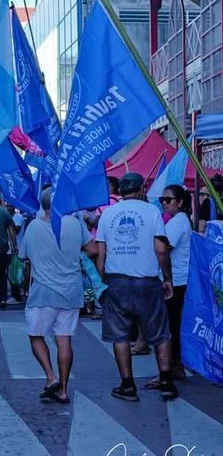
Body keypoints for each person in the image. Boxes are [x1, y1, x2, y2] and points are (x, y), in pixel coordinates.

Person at [96, 171, 178, 402]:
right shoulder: (153, 212)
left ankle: (128, 385)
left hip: (117, 281)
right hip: (147, 282)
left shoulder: (108, 215)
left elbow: (101, 253)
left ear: (121, 191)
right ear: (141, 189)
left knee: (120, 336)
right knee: (161, 334)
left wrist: (106, 278)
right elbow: (161, 250)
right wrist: (167, 277)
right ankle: (166, 382)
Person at [19, 188, 97, 403]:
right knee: (64, 340)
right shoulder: (75, 223)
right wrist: (73, 255)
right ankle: (62, 389)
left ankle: (51, 377)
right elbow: (93, 250)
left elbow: (23, 256)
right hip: (71, 291)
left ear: (43, 205)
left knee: (36, 335)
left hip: (43, 291)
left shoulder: (33, 226)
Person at [144, 184, 193, 386]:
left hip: (176, 280)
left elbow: (162, 249)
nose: (164, 203)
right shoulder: (176, 221)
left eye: (168, 200)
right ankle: (176, 367)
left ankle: (169, 369)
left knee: (168, 328)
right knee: (172, 325)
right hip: (177, 279)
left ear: (180, 202)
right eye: (162, 200)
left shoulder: (178, 222)